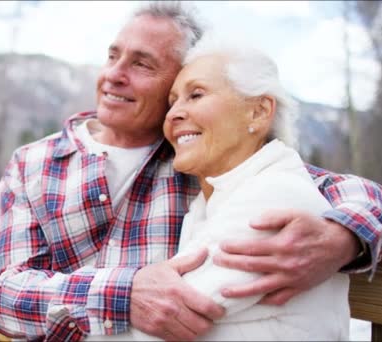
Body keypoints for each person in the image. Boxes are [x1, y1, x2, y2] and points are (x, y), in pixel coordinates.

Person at [0, 2, 382, 341]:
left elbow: (341, 189)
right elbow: (2, 296)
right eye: (113, 55)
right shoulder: (35, 163)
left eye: (142, 64)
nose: (114, 74)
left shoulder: (198, 155)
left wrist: (345, 235)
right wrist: (124, 294)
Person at [98, 36, 351, 341]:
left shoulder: (275, 197)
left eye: (196, 95)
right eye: (172, 101)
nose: (173, 113)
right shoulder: (211, 201)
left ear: (258, 112)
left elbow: (160, 323)